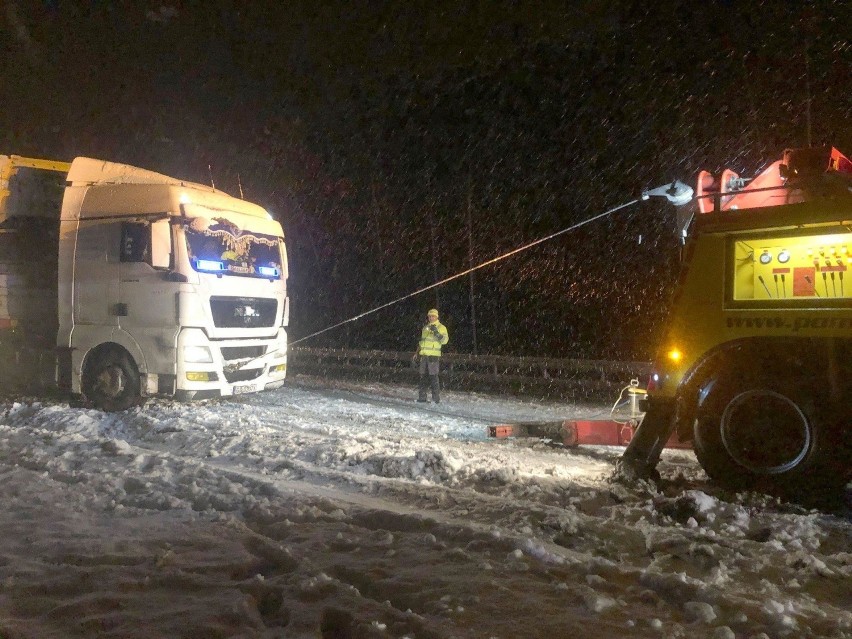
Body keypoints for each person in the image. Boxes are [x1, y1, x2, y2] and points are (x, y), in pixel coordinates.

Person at [416, 308, 449, 403]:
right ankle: (422, 397)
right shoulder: (425, 328)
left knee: (433, 377)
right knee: (423, 377)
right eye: (429, 316)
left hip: (433, 356)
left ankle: (436, 399)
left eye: (433, 316)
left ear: (437, 317)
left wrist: (437, 333)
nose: (431, 318)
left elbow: (445, 341)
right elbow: (422, 341)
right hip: (424, 356)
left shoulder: (441, 327)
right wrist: (417, 352)